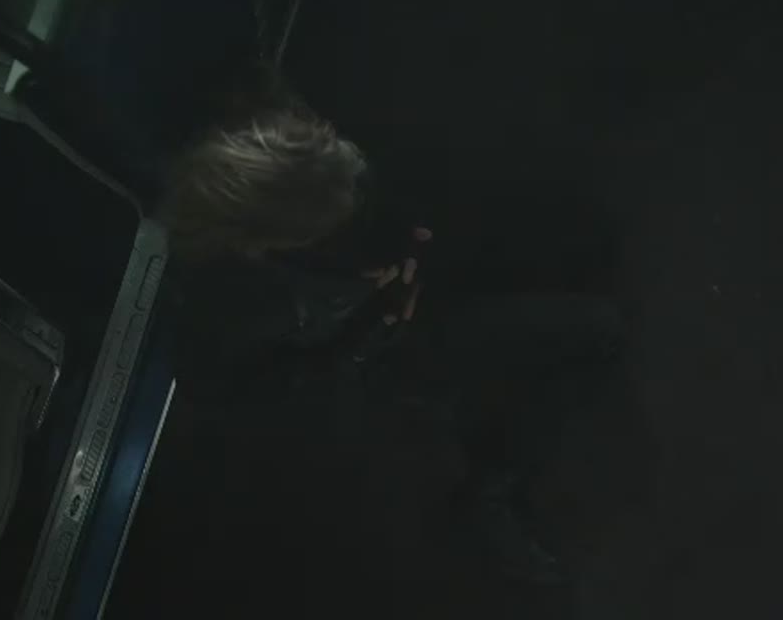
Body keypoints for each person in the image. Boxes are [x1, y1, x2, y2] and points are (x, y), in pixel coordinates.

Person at [155, 68, 621, 587]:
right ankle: (490, 484)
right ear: (267, 246)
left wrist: (411, 239)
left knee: (579, 250)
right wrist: (371, 328)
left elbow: (381, 180)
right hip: (387, 348)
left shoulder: (299, 147)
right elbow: (276, 394)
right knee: (594, 330)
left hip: (418, 265)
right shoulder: (226, 312)